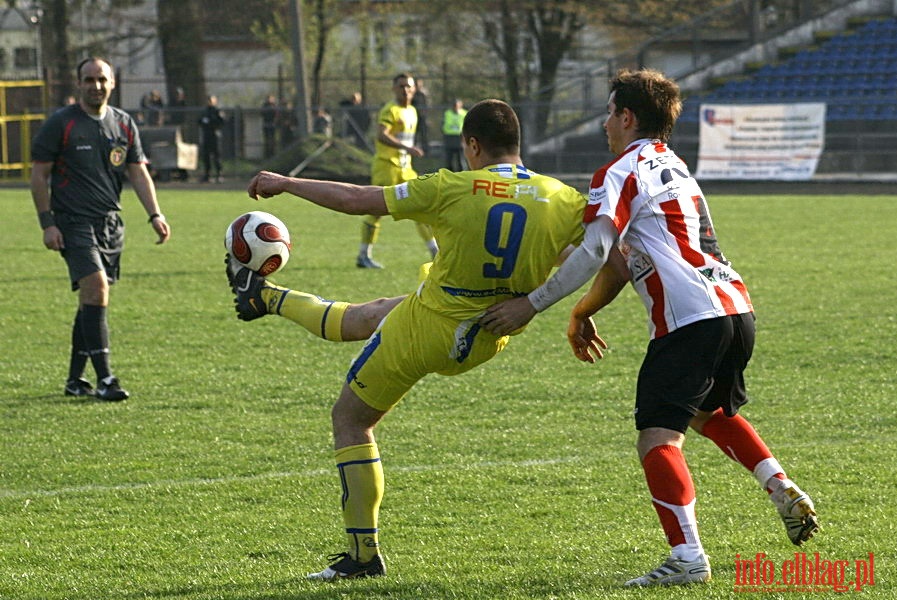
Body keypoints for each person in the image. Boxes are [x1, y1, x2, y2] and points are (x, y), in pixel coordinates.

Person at [480, 68, 819, 586]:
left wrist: (533, 304)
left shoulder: (617, 171)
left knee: (657, 438)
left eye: (610, 110)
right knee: (710, 412)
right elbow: (620, 264)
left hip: (688, 318)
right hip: (735, 308)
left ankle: (686, 557)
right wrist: (581, 312)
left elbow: (596, 250)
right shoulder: (674, 164)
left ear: (627, 116)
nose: (604, 122)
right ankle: (779, 485)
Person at [229, 99, 588, 580]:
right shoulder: (562, 198)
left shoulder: (450, 187)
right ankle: (267, 299)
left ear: (473, 145)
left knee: (350, 420)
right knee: (372, 314)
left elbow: (358, 199)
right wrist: (572, 307)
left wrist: (287, 184)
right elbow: (597, 257)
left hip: (429, 328)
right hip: (489, 335)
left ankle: (361, 557)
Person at [30, 57, 171, 401]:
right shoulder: (61, 124)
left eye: (101, 79)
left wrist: (155, 214)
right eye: (88, 79)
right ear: (78, 84)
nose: (95, 86)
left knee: (91, 298)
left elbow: (137, 171)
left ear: (113, 83)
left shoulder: (123, 124)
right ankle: (106, 380)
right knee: (96, 290)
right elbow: (38, 175)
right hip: (72, 221)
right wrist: (47, 223)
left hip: (110, 223)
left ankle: (75, 381)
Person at [357, 73, 435, 269]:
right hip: (387, 165)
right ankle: (363, 255)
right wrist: (406, 148)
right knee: (376, 210)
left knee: (422, 206)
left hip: (406, 168)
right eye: (401, 86)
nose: (405, 90)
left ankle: (436, 252)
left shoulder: (412, 111)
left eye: (408, 86)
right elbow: (381, 135)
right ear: (393, 89)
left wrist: (408, 151)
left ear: (414, 89)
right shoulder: (390, 110)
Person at [198, 95, 225, 183]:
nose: (209, 102)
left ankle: (219, 174)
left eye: (211, 100)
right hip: (206, 136)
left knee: (217, 156)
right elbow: (199, 121)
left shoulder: (217, 111)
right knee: (206, 157)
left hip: (215, 136)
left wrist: (211, 121)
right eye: (208, 100)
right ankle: (207, 175)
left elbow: (221, 121)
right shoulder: (205, 111)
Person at [442, 98, 468, 171]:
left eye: (457, 106)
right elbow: (445, 126)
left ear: (460, 106)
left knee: (461, 160)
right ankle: (449, 176)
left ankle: (462, 176)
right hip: (449, 138)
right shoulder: (447, 113)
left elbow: (466, 126)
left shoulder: (464, 113)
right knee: (449, 160)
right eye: (454, 106)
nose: (455, 107)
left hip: (460, 138)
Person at [411, 78, 429, 153]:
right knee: (414, 134)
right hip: (413, 117)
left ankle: (426, 151)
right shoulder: (412, 94)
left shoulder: (423, 94)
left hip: (422, 117)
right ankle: (413, 149)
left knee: (424, 133)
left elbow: (427, 104)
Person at [261, 94, 278, 159]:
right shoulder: (264, 105)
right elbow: (262, 113)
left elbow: (276, 114)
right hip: (266, 124)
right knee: (267, 140)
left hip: (272, 125)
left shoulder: (274, 106)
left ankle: (273, 154)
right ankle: (267, 154)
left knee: (272, 140)